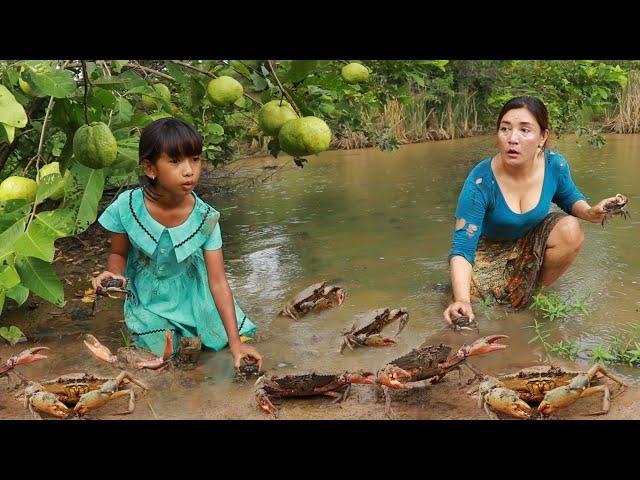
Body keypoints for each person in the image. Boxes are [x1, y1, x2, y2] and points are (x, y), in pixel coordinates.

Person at [92, 117, 263, 371]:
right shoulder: (126, 207)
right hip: (149, 296)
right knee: (160, 354)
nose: (189, 170)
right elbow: (118, 253)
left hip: (195, 293)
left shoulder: (206, 218)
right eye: (175, 161)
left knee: (218, 342)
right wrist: (114, 276)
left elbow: (218, 282)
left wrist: (236, 345)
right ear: (150, 168)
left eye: (195, 159)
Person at [444, 96, 622, 325]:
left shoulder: (554, 165)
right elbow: (462, 248)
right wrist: (461, 299)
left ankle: (531, 296)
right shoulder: (480, 181)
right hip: (485, 251)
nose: (512, 139)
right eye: (505, 129)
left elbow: (570, 198)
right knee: (476, 312)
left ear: (543, 137)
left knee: (570, 228)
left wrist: (592, 212)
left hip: (527, 240)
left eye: (525, 130)